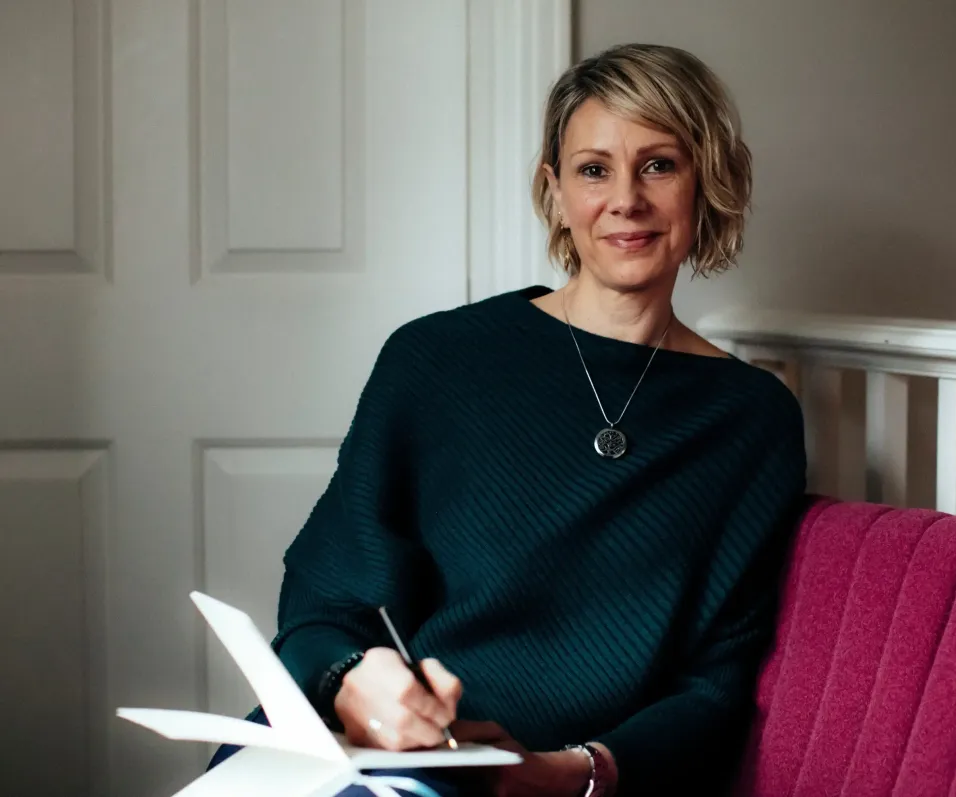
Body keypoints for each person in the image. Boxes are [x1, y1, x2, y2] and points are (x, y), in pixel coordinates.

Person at [210, 42, 807, 796]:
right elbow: (325, 598)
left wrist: (575, 772)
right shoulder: (437, 358)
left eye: (659, 164)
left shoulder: (751, 421)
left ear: (707, 181)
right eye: (594, 169)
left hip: (529, 780)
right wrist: (352, 678)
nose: (626, 198)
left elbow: (716, 683)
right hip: (358, 747)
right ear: (554, 189)